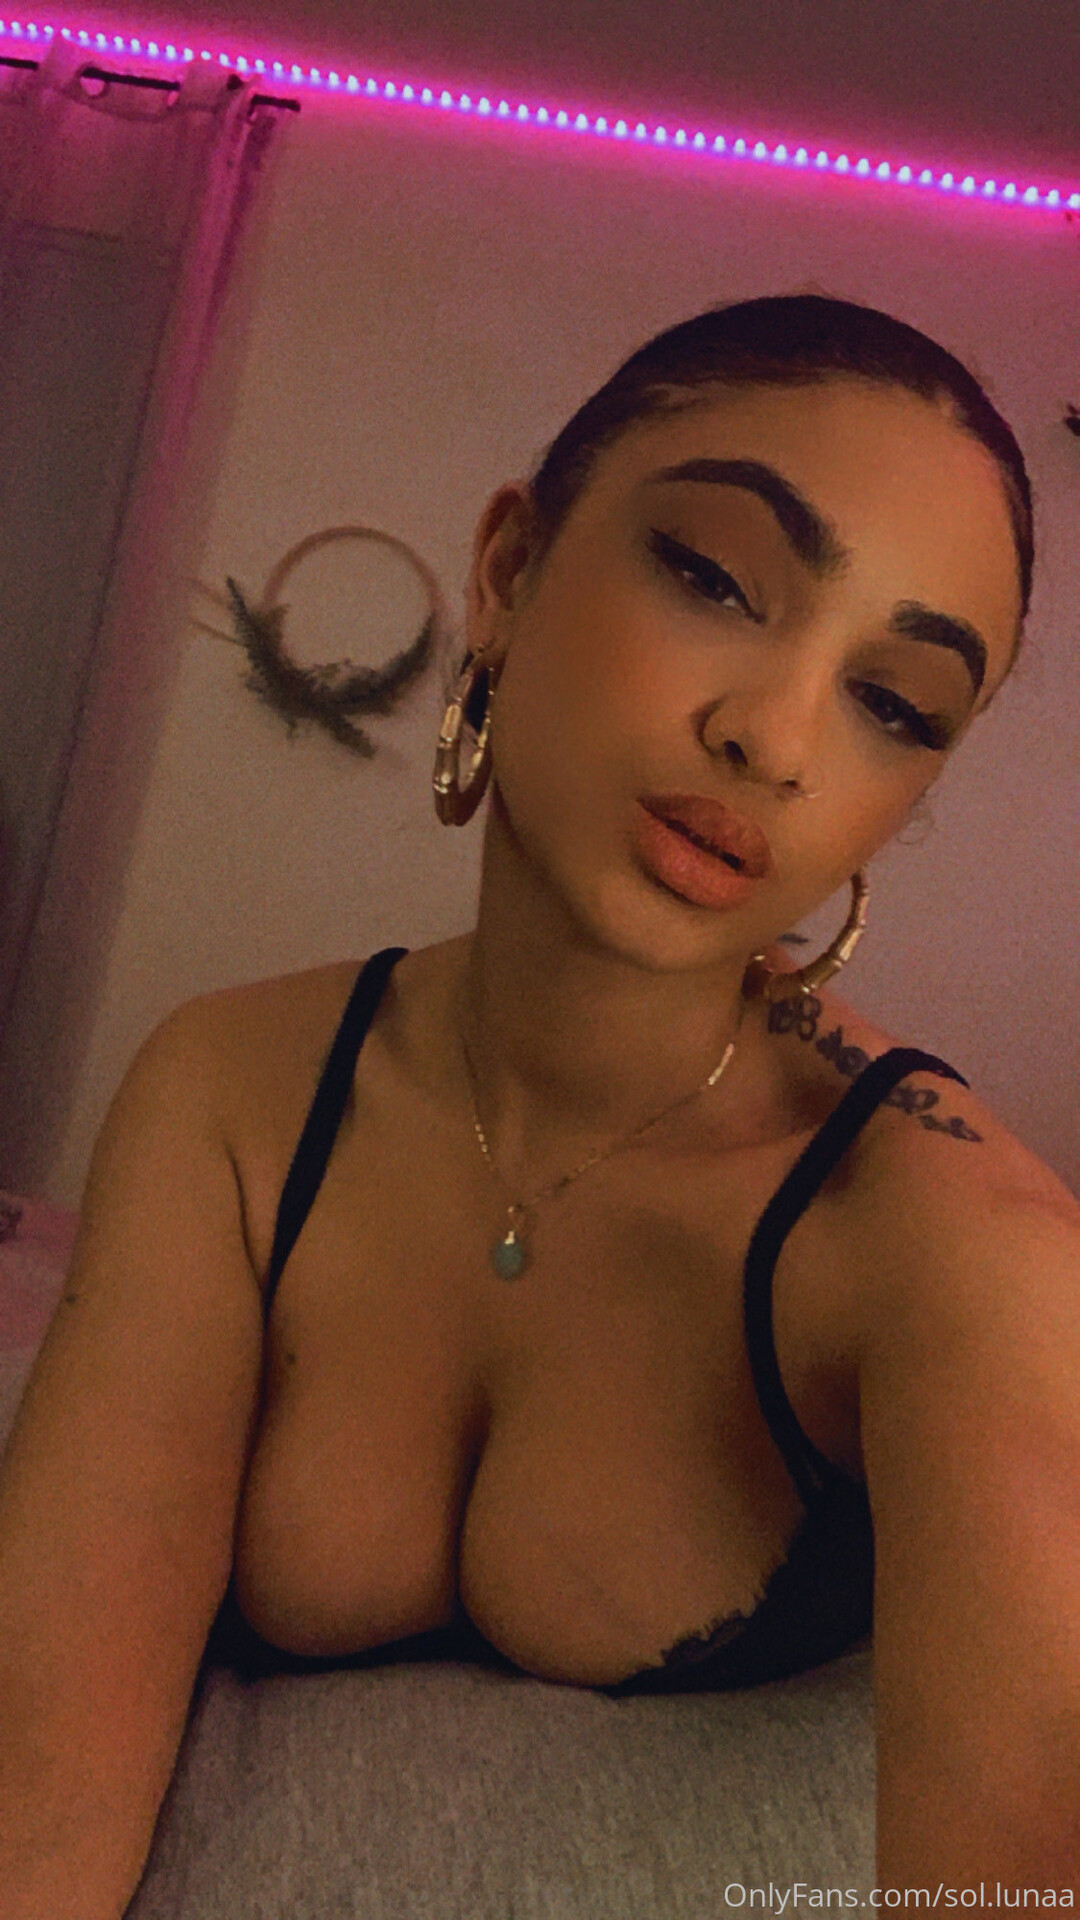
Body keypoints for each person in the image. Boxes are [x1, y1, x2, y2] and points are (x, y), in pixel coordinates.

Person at [1, 292, 1078, 1912]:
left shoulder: (960, 1252)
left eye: (896, 705)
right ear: (509, 571)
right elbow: (38, 1779)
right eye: (716, 578)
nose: (775, 738)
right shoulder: (229, 1092)